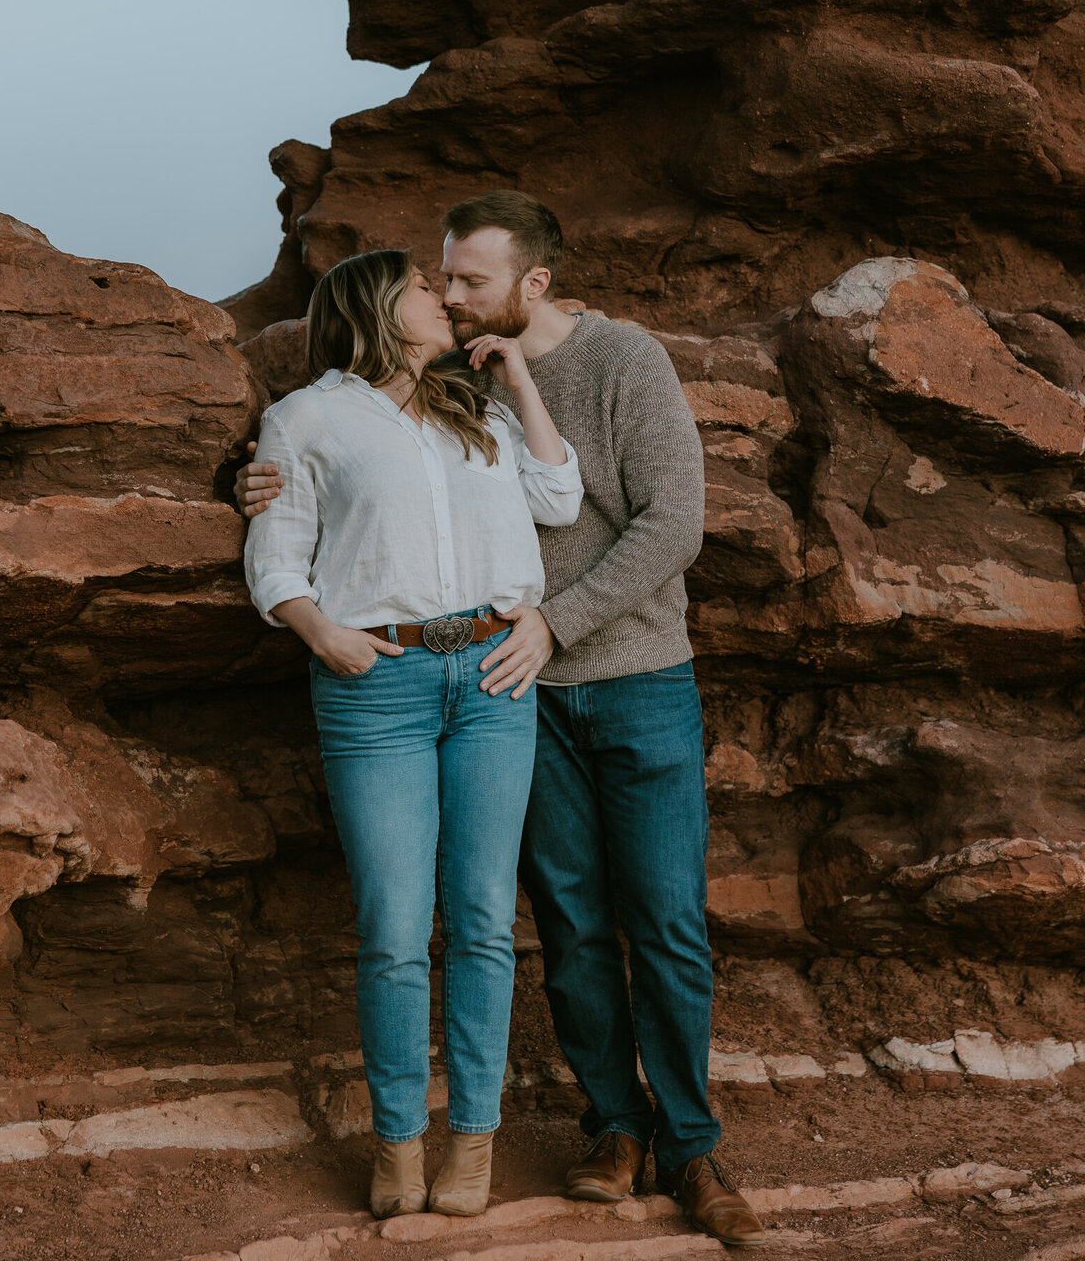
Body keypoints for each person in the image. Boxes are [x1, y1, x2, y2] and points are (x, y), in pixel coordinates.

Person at [238, 195, 768, 1248]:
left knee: (652, 922)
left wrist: (551, 622)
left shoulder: (589, 369)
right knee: (543, 928)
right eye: (436, 283)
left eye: (467, 281)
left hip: (600, 673)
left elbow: (642, 515)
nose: (449, 294)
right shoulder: (394, 398)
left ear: (531, 285)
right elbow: (317, 486)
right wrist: (258, 508)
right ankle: (600, 1129)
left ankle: (687, 1146)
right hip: (478, 689)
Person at [242, 247, 582, 1221]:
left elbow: (558, 497)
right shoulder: (307, 417)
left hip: (491, 677)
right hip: (374, 688)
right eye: (425, 289)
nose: (444, 299)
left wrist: (518, 378)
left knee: (482, 921)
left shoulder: (477, 406)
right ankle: (398, 1143)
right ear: (375, 307)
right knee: (394, 929)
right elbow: (274, 553)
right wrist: (324, 635)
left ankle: (470, 1143)